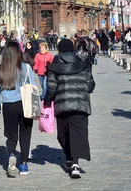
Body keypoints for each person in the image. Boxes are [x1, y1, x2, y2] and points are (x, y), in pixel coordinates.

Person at [44, 38, 95, 179]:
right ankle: (74, 162)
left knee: (63, 135)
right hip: (80, 105)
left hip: (63, 104)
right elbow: (90, 85)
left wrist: (48, 101)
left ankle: (72, 161)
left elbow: (52, 87)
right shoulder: (82, 64)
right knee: (78, 134)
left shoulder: (54, 65)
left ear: (59, 50)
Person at [0, 41, 40, 177]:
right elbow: (32, 84)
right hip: (24, 104)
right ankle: (24, 165)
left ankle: (12, 154)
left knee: (11, 134)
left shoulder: (1, 69)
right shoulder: (26, 67)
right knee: (25, 134)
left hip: (8, 105)